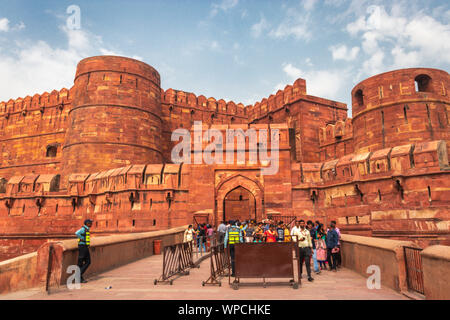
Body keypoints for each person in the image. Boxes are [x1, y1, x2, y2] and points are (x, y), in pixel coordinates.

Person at [75, 219, 93, 283]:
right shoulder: (83, 229)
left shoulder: (87, 229)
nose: (91, 224)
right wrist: (82, 239)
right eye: (90, 223)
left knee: (87, 262)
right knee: (83, 262)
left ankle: (79, 277)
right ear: (87, 223)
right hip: (82, 246)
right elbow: (77, 233)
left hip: (85, 246)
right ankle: (78, 276)